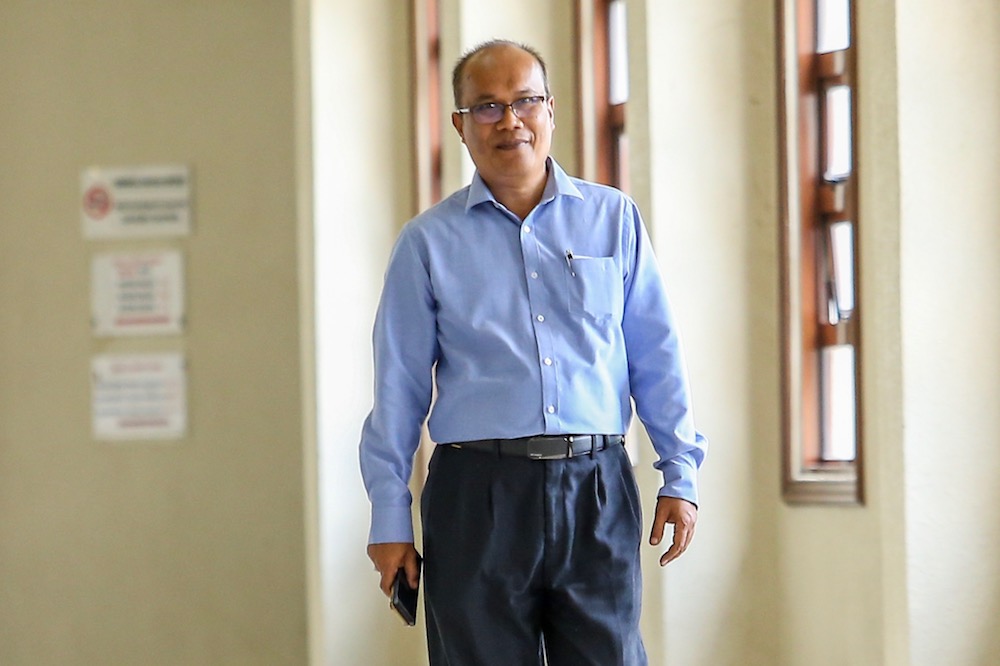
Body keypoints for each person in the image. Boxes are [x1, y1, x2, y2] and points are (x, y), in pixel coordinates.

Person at [359, 39, 706, 666]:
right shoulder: (427, 243)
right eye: (487, 107)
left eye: (525, 101)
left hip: (596, 487)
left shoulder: (613, 219)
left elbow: (655, 355)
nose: (509, 120)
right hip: (476, 494)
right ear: (461, 126)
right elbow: (397, 392)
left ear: (551, 111)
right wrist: (390, 519)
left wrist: (680, 474)